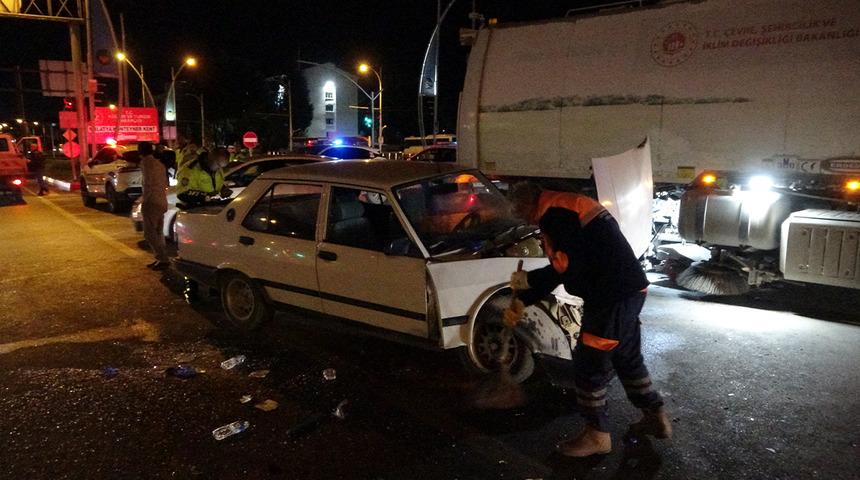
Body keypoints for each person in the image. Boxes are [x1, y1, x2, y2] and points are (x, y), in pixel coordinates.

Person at [505, 182, 671, 457]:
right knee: (626, 359)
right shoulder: (562, 205)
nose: (521, 219)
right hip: (625, 291)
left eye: (518, 213)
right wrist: (524, 299)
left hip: (611, 298)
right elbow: (569, 263)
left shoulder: (555, 216)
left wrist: (527, 282)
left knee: (589, 363)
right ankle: (655, 415)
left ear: (525, 204)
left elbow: (565, 267)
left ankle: (597, 436)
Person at [139, 141, 170, 270]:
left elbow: (148, 184)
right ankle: (161, 259)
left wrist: (144, 201)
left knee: (149, 233)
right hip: (162, 200)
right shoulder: (160, 164)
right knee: (158, 232)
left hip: (151, 201)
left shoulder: (146, 163)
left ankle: (162, 259)